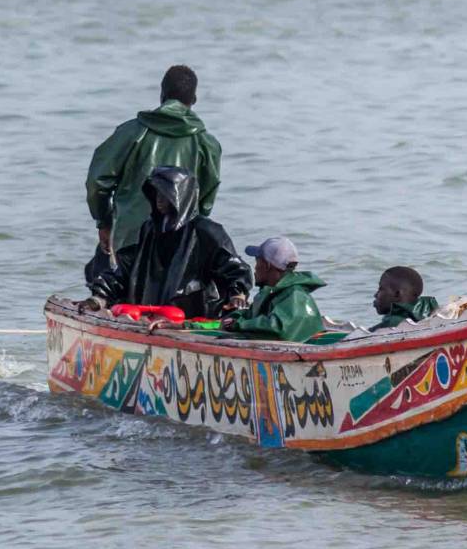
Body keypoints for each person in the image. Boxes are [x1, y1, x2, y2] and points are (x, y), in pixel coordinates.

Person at [85, 65, 222, 282]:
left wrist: (104, 221)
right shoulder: (207, 144)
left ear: (162, 94)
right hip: (182, 245)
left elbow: (97, 181)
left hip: (130, 239)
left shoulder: (131, 133)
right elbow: (206, 201)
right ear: (194, 100)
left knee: (119, 288)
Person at [85, 166, 252, 318]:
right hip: (151, 311)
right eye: (157, 193)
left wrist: (238, 294)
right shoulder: (150, 228)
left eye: (165, 195)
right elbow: (130, 267)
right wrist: (100, 295)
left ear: (182, 196)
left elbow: (235, 268)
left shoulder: (207, 231)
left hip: (193, 315)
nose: (159, 200)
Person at [221, 236, 326, 343]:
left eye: (257, 262)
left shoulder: (295, 295)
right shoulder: (273, 293)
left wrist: (239, 325)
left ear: (267, 266)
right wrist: (233, 317)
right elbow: (251, 315)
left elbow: (277, 328)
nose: (255, 268)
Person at [370, 266, 439, 331]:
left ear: (397, 294)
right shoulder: (432, 312)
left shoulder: (393, 323)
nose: (375, 295)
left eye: (381, 289)